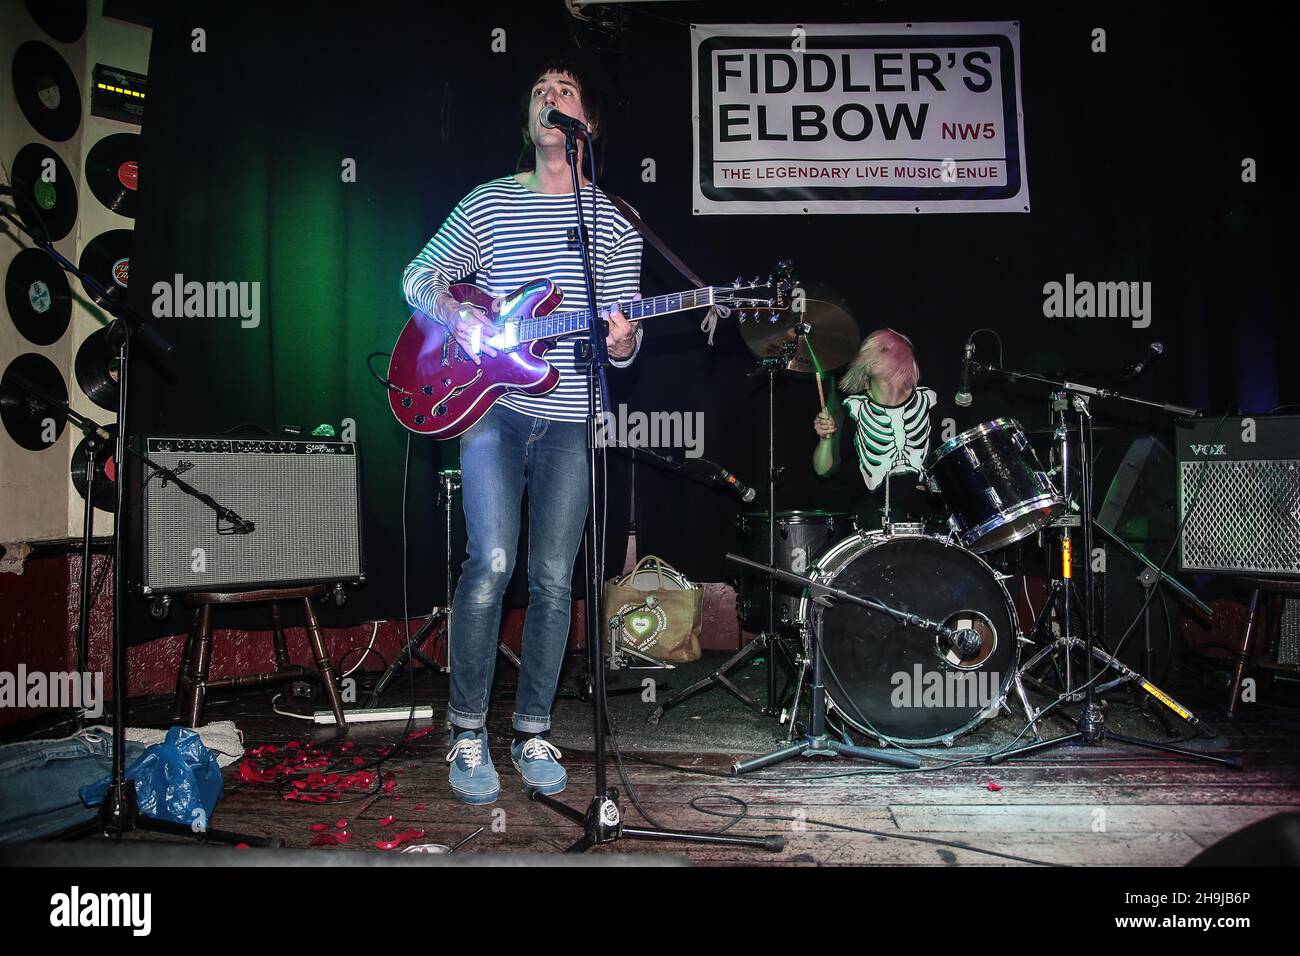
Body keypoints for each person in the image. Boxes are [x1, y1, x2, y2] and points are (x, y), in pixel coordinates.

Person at [401, 59, 644, 805]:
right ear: (530, 120)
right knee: (492, 560)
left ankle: (532, 727)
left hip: (570, 418)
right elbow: (419, 276)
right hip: (490, 412)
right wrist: (458, 314)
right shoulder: (487, 204)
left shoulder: (614, 221)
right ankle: (468, 730)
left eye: (564, 90)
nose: (549, 96)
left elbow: (624, 341)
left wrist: (625, 340)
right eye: (540, 91)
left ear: (586, 125)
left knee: (551, 580)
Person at [812, 328, 938, 527]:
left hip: (925, 521)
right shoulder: (852, 407)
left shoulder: (929, 401)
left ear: (903, 355)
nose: (872, 354)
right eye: (870, 349)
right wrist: (825, 438)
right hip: (869, 524)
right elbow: (821, 470)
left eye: (884, 349)